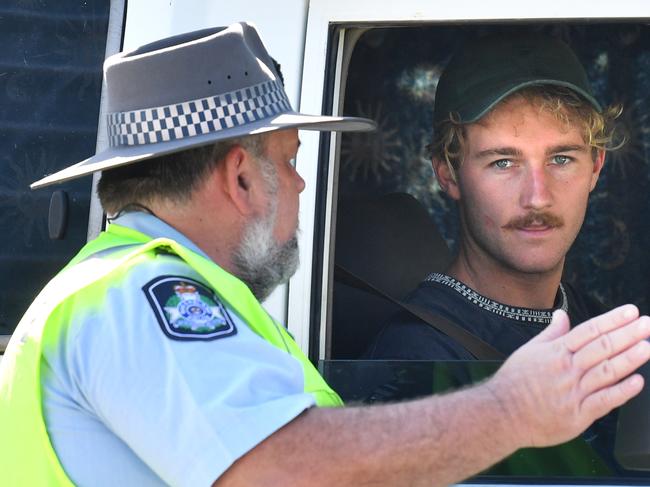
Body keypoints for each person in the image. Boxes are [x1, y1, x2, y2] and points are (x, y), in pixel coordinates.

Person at [1, 23, 649, 487]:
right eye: (290, 161)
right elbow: (281, 469)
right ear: (241, 177)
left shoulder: (133, 290)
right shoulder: (138, 294)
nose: (304, 185)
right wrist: (511, 408)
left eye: (561, 158)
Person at [367, 34, 625, 361]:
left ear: (596, 166)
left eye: (561, 159)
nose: (538, 198)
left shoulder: (607, 331)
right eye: (503, 162)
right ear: (448, 174)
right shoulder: (416, 354)